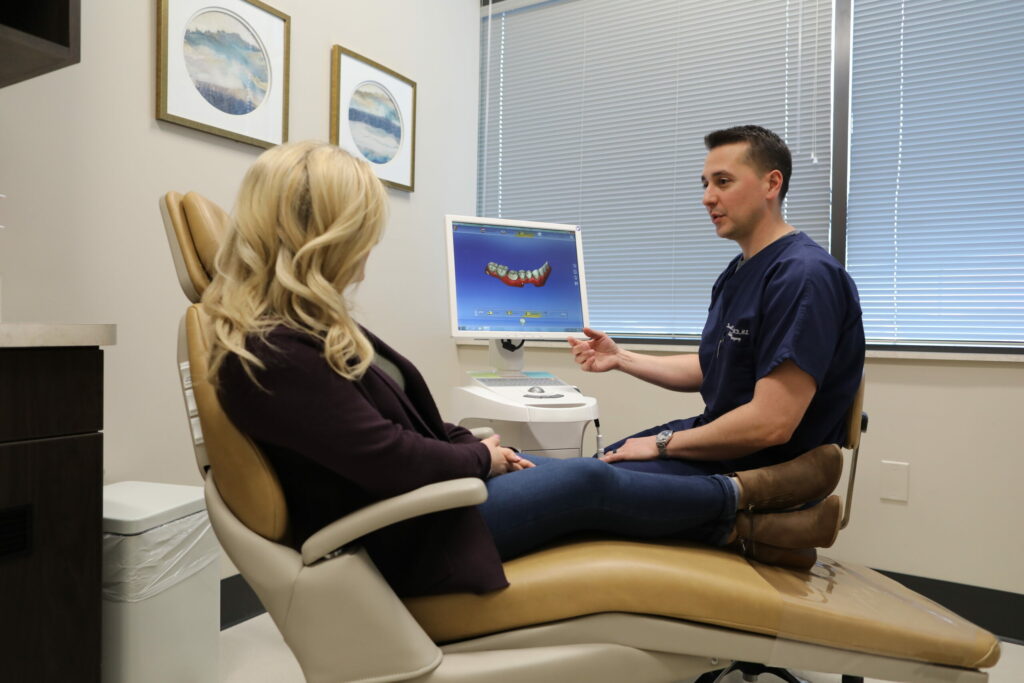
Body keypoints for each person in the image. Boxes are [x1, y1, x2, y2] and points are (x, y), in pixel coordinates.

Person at [205, 140, 849, 599]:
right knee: (593, 480)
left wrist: (474, 444)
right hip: (406, 528)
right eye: (361, 231)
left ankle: (756, 517)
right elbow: (385, 453)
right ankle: (748, 510)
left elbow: (392, 433)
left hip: (421, 505)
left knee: (591, 474)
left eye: (722, 181)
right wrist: (480, 456)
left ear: (772, 184)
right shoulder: (276, 347)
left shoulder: (306, 332)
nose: (369, 247)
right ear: (320, 235)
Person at [568, 125, 865, 526]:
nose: (708, 197)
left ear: (771, 183)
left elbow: (771, 424)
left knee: (582, 490)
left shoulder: (803, 275)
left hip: (762, 470)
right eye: (706, 183)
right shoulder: (738, 272)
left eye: (723, 182)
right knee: (589, 470)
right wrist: (621, 357)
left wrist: (662, 444)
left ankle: (762, 527)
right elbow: (716, 365)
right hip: (719, 447)